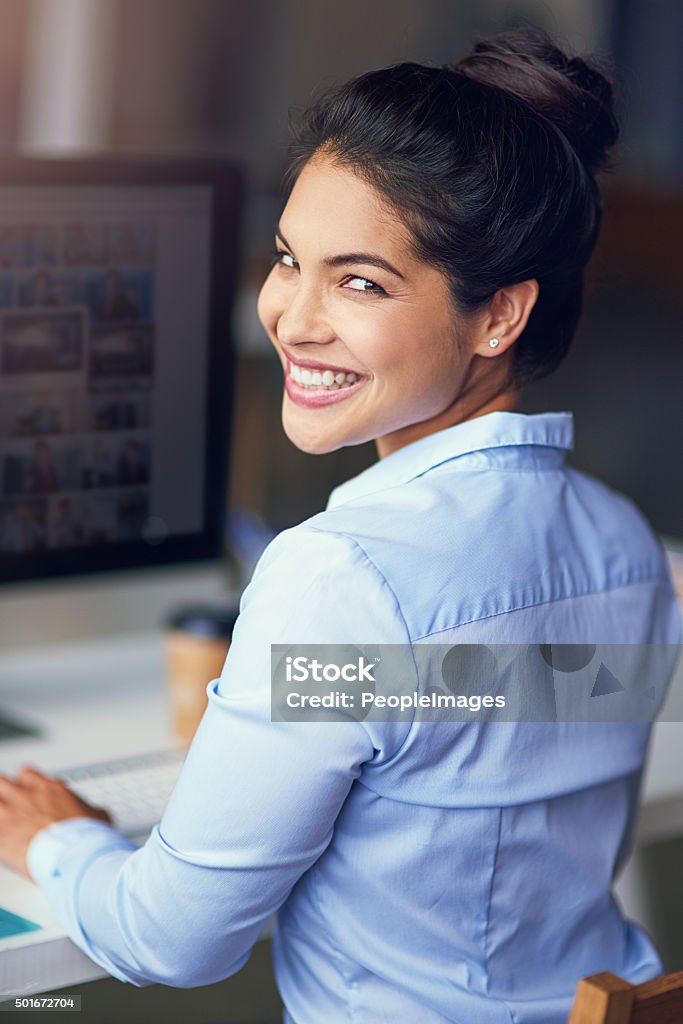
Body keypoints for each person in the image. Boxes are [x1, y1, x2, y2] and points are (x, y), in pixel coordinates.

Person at [0, 27, 680, 1024]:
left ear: (498, 317)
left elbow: (171, 937)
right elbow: (466, 736)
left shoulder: (341, 579)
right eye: (287, 259)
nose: (292, 317)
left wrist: (56, 836)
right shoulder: (623, 546)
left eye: (359, 281)